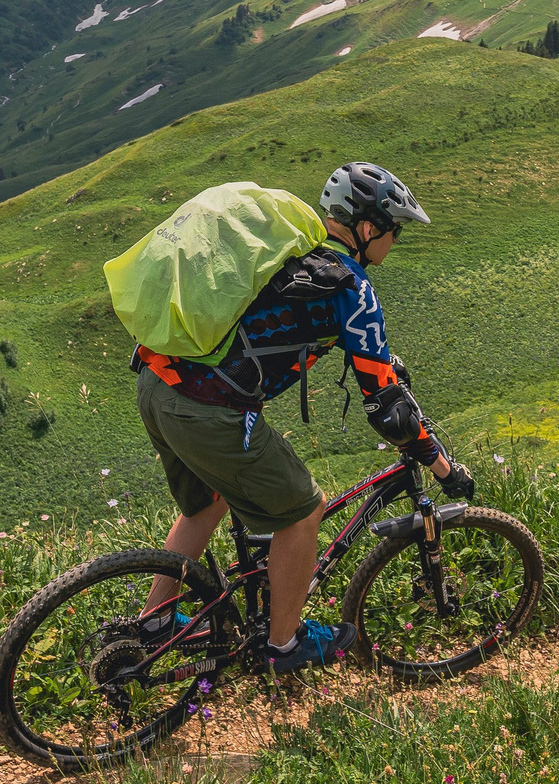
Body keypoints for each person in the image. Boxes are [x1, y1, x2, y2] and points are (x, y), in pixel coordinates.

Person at [129, 161, 474, 672]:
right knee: (304, 510)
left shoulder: (289, 251)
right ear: (366, 227)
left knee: (208, 501)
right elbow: (387, 409)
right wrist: (442, 466)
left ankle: (154, 622)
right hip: (205, 410)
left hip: (156, 382)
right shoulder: (352, 288)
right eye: (393, 229)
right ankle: (284, 643)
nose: (395, 239)